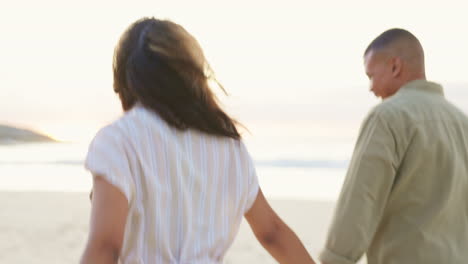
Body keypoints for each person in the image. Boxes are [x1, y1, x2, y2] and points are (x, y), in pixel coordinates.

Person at [80, 17, 315, 264]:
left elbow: (105, 247)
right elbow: (273, 233)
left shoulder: (119, 139)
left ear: (126, 81)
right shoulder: (229, 146)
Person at [320, 28, 468, 264]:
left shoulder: (388, 116)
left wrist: (335, 259)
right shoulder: (462, 122)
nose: (370, 87)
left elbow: (362, 199)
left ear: (395, 66)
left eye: (371, 76)